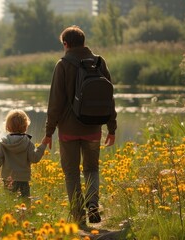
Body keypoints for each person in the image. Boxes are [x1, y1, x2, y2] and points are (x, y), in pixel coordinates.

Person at [43, 25, 117, 226]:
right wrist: (112, 128)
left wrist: (49, 132)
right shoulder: (99, 62)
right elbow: (109, 98)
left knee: (72, 172)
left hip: (68, 130)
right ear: (84, 42)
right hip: (93, 127)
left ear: (65, 44)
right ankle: (93, 205)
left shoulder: (63, 64)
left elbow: (55, 102)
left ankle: (77, 215)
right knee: (92, 169)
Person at [0, 109, 47, 199]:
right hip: (23, 180)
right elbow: (35, 158)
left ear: (7, 126)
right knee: (25, 204)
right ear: (25, 126)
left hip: (8, 180)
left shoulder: (3, 144)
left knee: (10, 204)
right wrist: (43, 145)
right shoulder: (27, 143)